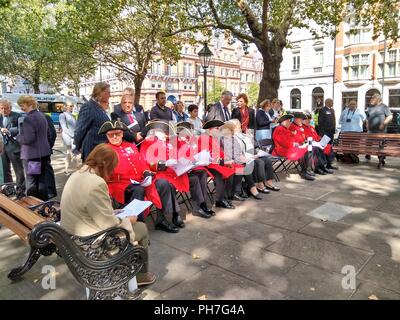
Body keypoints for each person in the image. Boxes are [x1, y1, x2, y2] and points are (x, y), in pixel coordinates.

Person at [60, 144, 156, 286]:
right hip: (88, 242)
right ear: (106, 165)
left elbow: (90, 209)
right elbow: (108, 224)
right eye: (113, 167)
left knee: (132, 224)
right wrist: (128, 220)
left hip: (72, 235)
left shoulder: (78, 173)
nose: (112, 172)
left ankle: (130, 269)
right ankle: (140, 275)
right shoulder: (96, 183)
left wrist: (113, 213)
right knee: (141, 228)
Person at [140, 120, 188, 230]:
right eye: (164, 131)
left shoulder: (169, 143)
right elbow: (147, 162)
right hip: (157, 174)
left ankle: (169, 216)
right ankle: (173, 214)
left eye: (167, 131)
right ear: (155, 131)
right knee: (168, 185)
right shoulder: (148, 142)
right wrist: (163, 163)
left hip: (171, 173)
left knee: (175, 181)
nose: (166, 133)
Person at [176, 122, 215, 218]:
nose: (191, 132)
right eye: (189, 130)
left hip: (190, 168)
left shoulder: (190, 141)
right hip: (180, 171)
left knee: (202, 173)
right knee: (196, 178)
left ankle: (202, 204)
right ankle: (198, 206)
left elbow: (195, 153)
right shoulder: (177, 141)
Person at [16, 95, 52, 200]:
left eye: (22, 106)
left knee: (32, 182)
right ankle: (43, 203)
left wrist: (18, 137)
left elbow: (28, 139)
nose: (21, 108)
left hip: (32, 156)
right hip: (43, 154)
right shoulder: (42, 116)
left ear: (30, 105)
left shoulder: (28, 119)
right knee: (41, 180)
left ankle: (33, 205)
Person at [197, 120, 236, 208]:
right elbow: (207, 156)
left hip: (217, 163)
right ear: (210, 130)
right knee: (221, 174)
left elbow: (220, 153)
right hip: (207, 165)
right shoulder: (203, 138)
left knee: (236, 169)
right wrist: (224, 161)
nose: (219, 130)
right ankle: (220, 200)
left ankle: (231, 194)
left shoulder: (213, 138)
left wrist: (227, 159)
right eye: (217, 128)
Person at [74, 82, 111, 161]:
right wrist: (78, 147)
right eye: (108, 92)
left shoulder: (99, 108)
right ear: (101, 92)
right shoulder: (88, 107)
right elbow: (79, 130)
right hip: (92, 151)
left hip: (101, 150)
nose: (110, 95)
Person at [272, 114, 314, 181]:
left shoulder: (285, 129)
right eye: (288, 121)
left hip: (288, 149)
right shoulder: (279, 129)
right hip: (281, 150)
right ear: (283, 122)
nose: (290, 123)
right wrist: (294, 144)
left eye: (290, 121)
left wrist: (297, 143)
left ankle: (305, 170)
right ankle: (304, 172)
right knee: (303, 152)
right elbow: (283, 142)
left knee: (306, 150)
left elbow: (293, 138)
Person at [0, 99, 25, 189]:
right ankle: (9, 189)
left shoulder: (18, 116)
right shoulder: (0, 116)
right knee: (5, 169)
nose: (4, 110)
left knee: (18, 170)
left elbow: (21, 130)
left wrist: (9, 131)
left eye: (6, 108)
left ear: (10, 108)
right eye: (1, 108)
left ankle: (20, 190)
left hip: (15, 147)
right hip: (3, 147)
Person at [317, 98, 338, 170]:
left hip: (331, 133)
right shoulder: (323, 110)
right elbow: (320, 122)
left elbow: (333, 121)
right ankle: (322, 164)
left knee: (329, 149)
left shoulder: (332, 110)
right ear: (327, 102)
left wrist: (334, 130)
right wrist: (321, 133)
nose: (332, 103)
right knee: (323, 148)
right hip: (325, 133)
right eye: (331, 102)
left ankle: (329, 163)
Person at [59, 103, 77, 175]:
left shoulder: (72, 115)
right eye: (70, 106)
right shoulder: (62, 115)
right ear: (66, 106)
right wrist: (73, 135)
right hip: (68, 137)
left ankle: (66, 169)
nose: (72, 107)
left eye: (73, 105)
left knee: (69, 153)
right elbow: (64, 127)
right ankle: (78, 170)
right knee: (75, 153)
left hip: (73, 136)